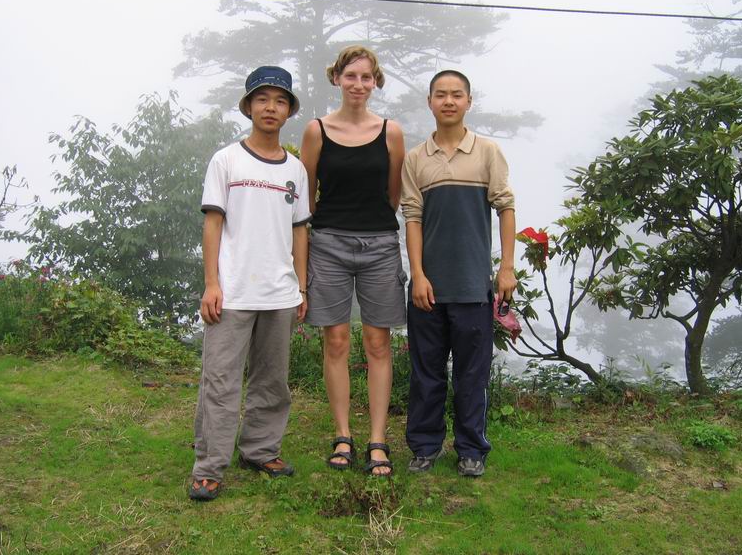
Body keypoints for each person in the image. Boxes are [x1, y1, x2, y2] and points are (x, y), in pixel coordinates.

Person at [189, 66, 310, 501]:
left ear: (289, 110)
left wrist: (301, 285)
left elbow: (300, 230)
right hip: (233, 291)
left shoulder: (296, 169)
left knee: (272, 380)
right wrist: (211, 283)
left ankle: (260, 450)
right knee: (220, 381)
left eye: (280, 101)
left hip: (279, 292)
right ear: (248, 106)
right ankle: (209, 466)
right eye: (262, 99)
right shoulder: (226, 160)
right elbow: (213, 223)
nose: (271, 107)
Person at [400, 70, 516, 477]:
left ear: (469, 101)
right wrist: (418, 274)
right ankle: (425, 447)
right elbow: (412, 217)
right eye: (440, 95)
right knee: (426, 375)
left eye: (457, 95)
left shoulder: (487, 152)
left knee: (471, 375)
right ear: (429, 102)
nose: (448, 101)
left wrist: (506, 268)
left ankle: (471, 450)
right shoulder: (416, 158)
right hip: (428, 290)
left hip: (472, 288)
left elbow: (505, 207)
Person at [300, 46, 406, 476]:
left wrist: (374, 224)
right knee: (337, 341)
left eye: (366, 77)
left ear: (375, 82)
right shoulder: (316, 130)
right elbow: (307, 197)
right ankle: (343, 435)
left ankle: (378, 440)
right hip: (328, 243)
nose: (358, 84)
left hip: (380, 244)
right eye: (350, 76)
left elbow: (394, 193)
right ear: (337, 79)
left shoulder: (391, 132)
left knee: (379, 343)